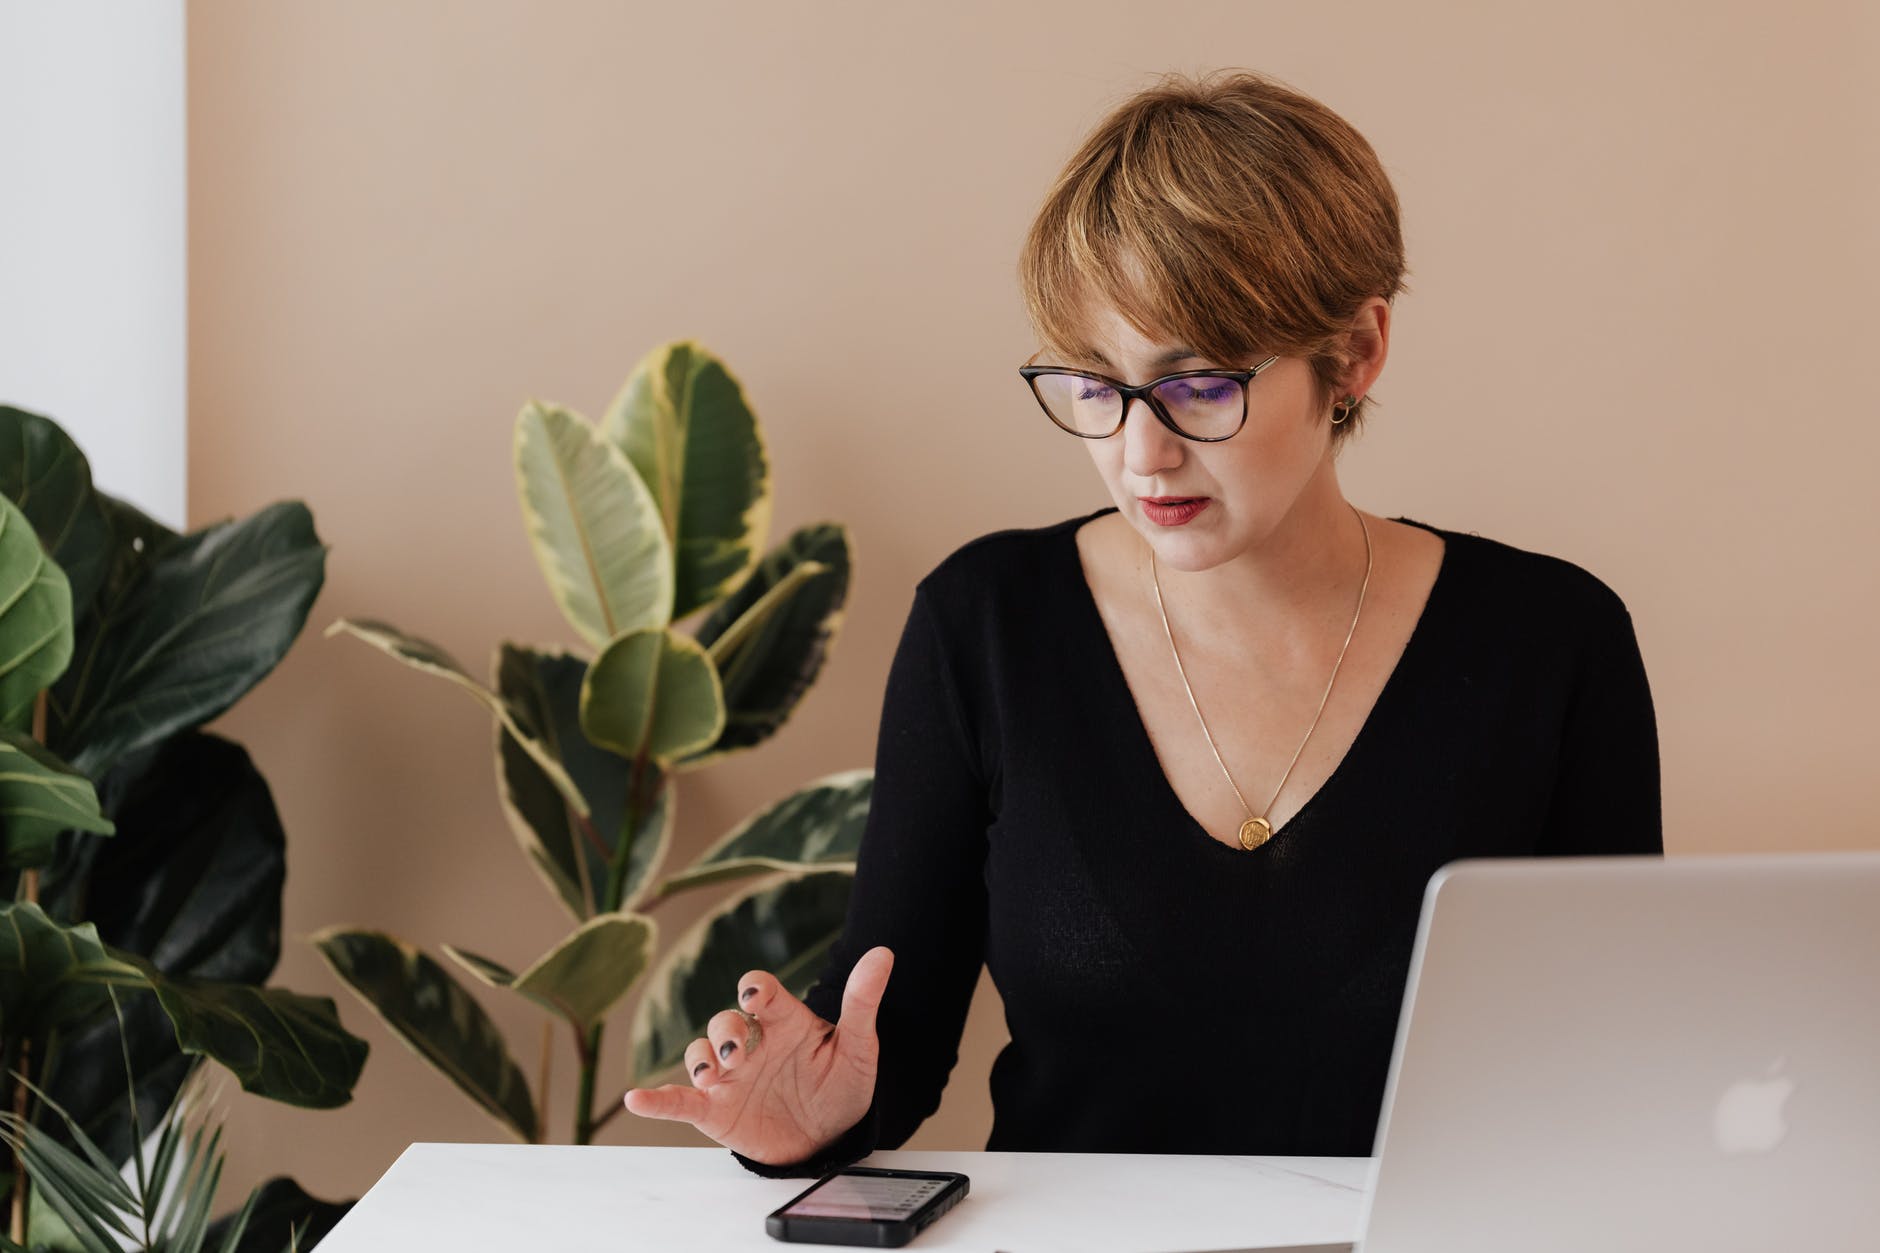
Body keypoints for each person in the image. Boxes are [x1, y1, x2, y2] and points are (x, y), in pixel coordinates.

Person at [622, 67, 1662, 1175]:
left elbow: (1612, 1066)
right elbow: (892, 1044)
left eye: (1196, 386)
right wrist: (809, 1115)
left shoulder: (1551, 643)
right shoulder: (984, 626)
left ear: (1353, 353)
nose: (1137, 452)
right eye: (1092, 381)